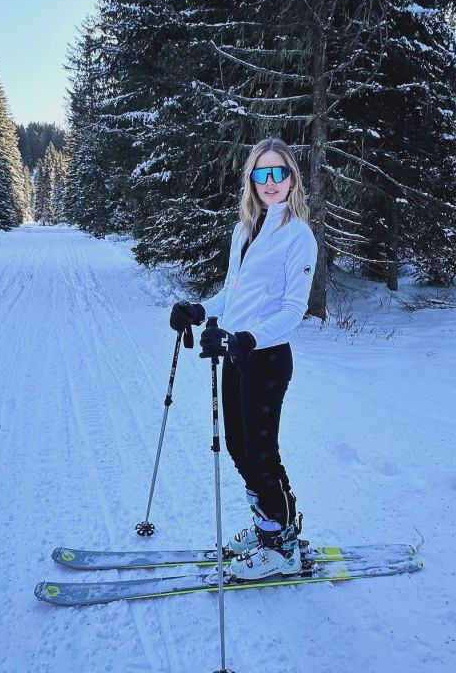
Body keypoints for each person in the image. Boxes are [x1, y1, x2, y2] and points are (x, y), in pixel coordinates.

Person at [170, 138, 317, 580]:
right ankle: (269, 524)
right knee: (238, 446)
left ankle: (283, 546)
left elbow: (294, 310)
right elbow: (233, 292)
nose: (270, 182)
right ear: (251, 179)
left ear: (292, 178)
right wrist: (201, 309)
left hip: (267, 358)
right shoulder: (244, 229)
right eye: (261, 173)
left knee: (261, 451)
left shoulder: (298, 235)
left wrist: (248, 338)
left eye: (279, 173)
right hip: (238, 354)